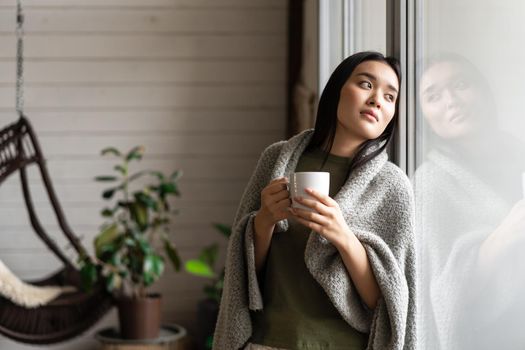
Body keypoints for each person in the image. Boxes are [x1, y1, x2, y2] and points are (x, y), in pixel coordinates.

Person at [213, 51, 416, 350]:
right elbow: (245, 274)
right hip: (268, 342)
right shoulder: (278, 159)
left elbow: (387, 302)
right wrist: (264, 221)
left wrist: (342, 236)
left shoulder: (392, 186)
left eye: (390, 97)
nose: (377, 100)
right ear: (336, 90)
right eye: (366, 84)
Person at [414, 53, 525, 349]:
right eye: (433, 96)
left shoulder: (519, 154)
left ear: (484, 92)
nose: (452, 101)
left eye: (461, 84)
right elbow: (438, 295)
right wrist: (507, 235)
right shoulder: (430, 183)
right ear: (422, 115)